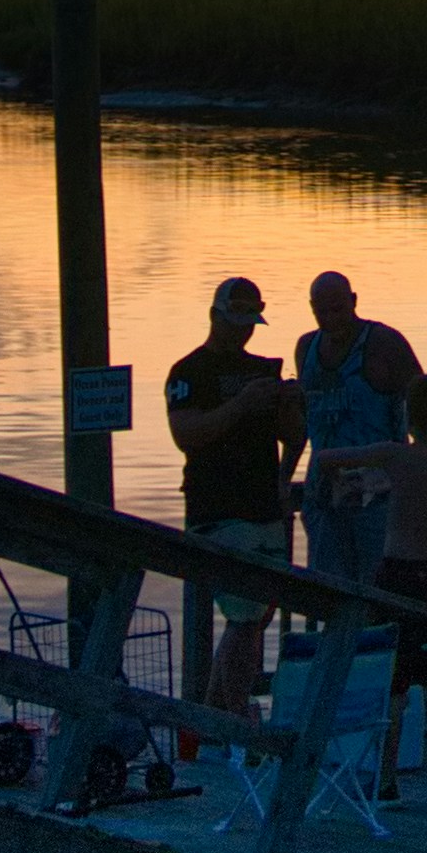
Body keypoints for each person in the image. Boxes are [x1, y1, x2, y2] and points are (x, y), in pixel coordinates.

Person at [315, 368, 427, 786]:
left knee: (394, 682)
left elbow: (325, 458)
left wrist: (343, 484)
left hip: (398, 574)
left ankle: (385, 781)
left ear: (407, 414)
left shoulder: (395, 455)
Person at [164, 276, 300, 711]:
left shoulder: (263, 369)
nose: (243, 330)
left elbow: (292, 436)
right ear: (215, 316)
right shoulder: (188, 371)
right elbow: (186, 435)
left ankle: (211, 722)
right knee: (244, 620)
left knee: (253, 620)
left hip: (264, 505)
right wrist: (240, 404)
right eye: (236, 320)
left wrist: (292, 405)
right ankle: (237, 721)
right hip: (217, 509)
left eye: (250, 322)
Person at [286, 271, 420, 588]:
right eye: (322, 311)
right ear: (311, 308)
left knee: (380, 593)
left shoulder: (384, 343)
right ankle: (338, 640)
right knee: (329, 593)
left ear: (354, 301)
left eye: (338, 309)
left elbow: (424, 407)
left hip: (378, 497)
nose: (331, 319)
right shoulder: (306, 348)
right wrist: (283, 477)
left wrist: (420, 473)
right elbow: (303, 424)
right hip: (322, 496)